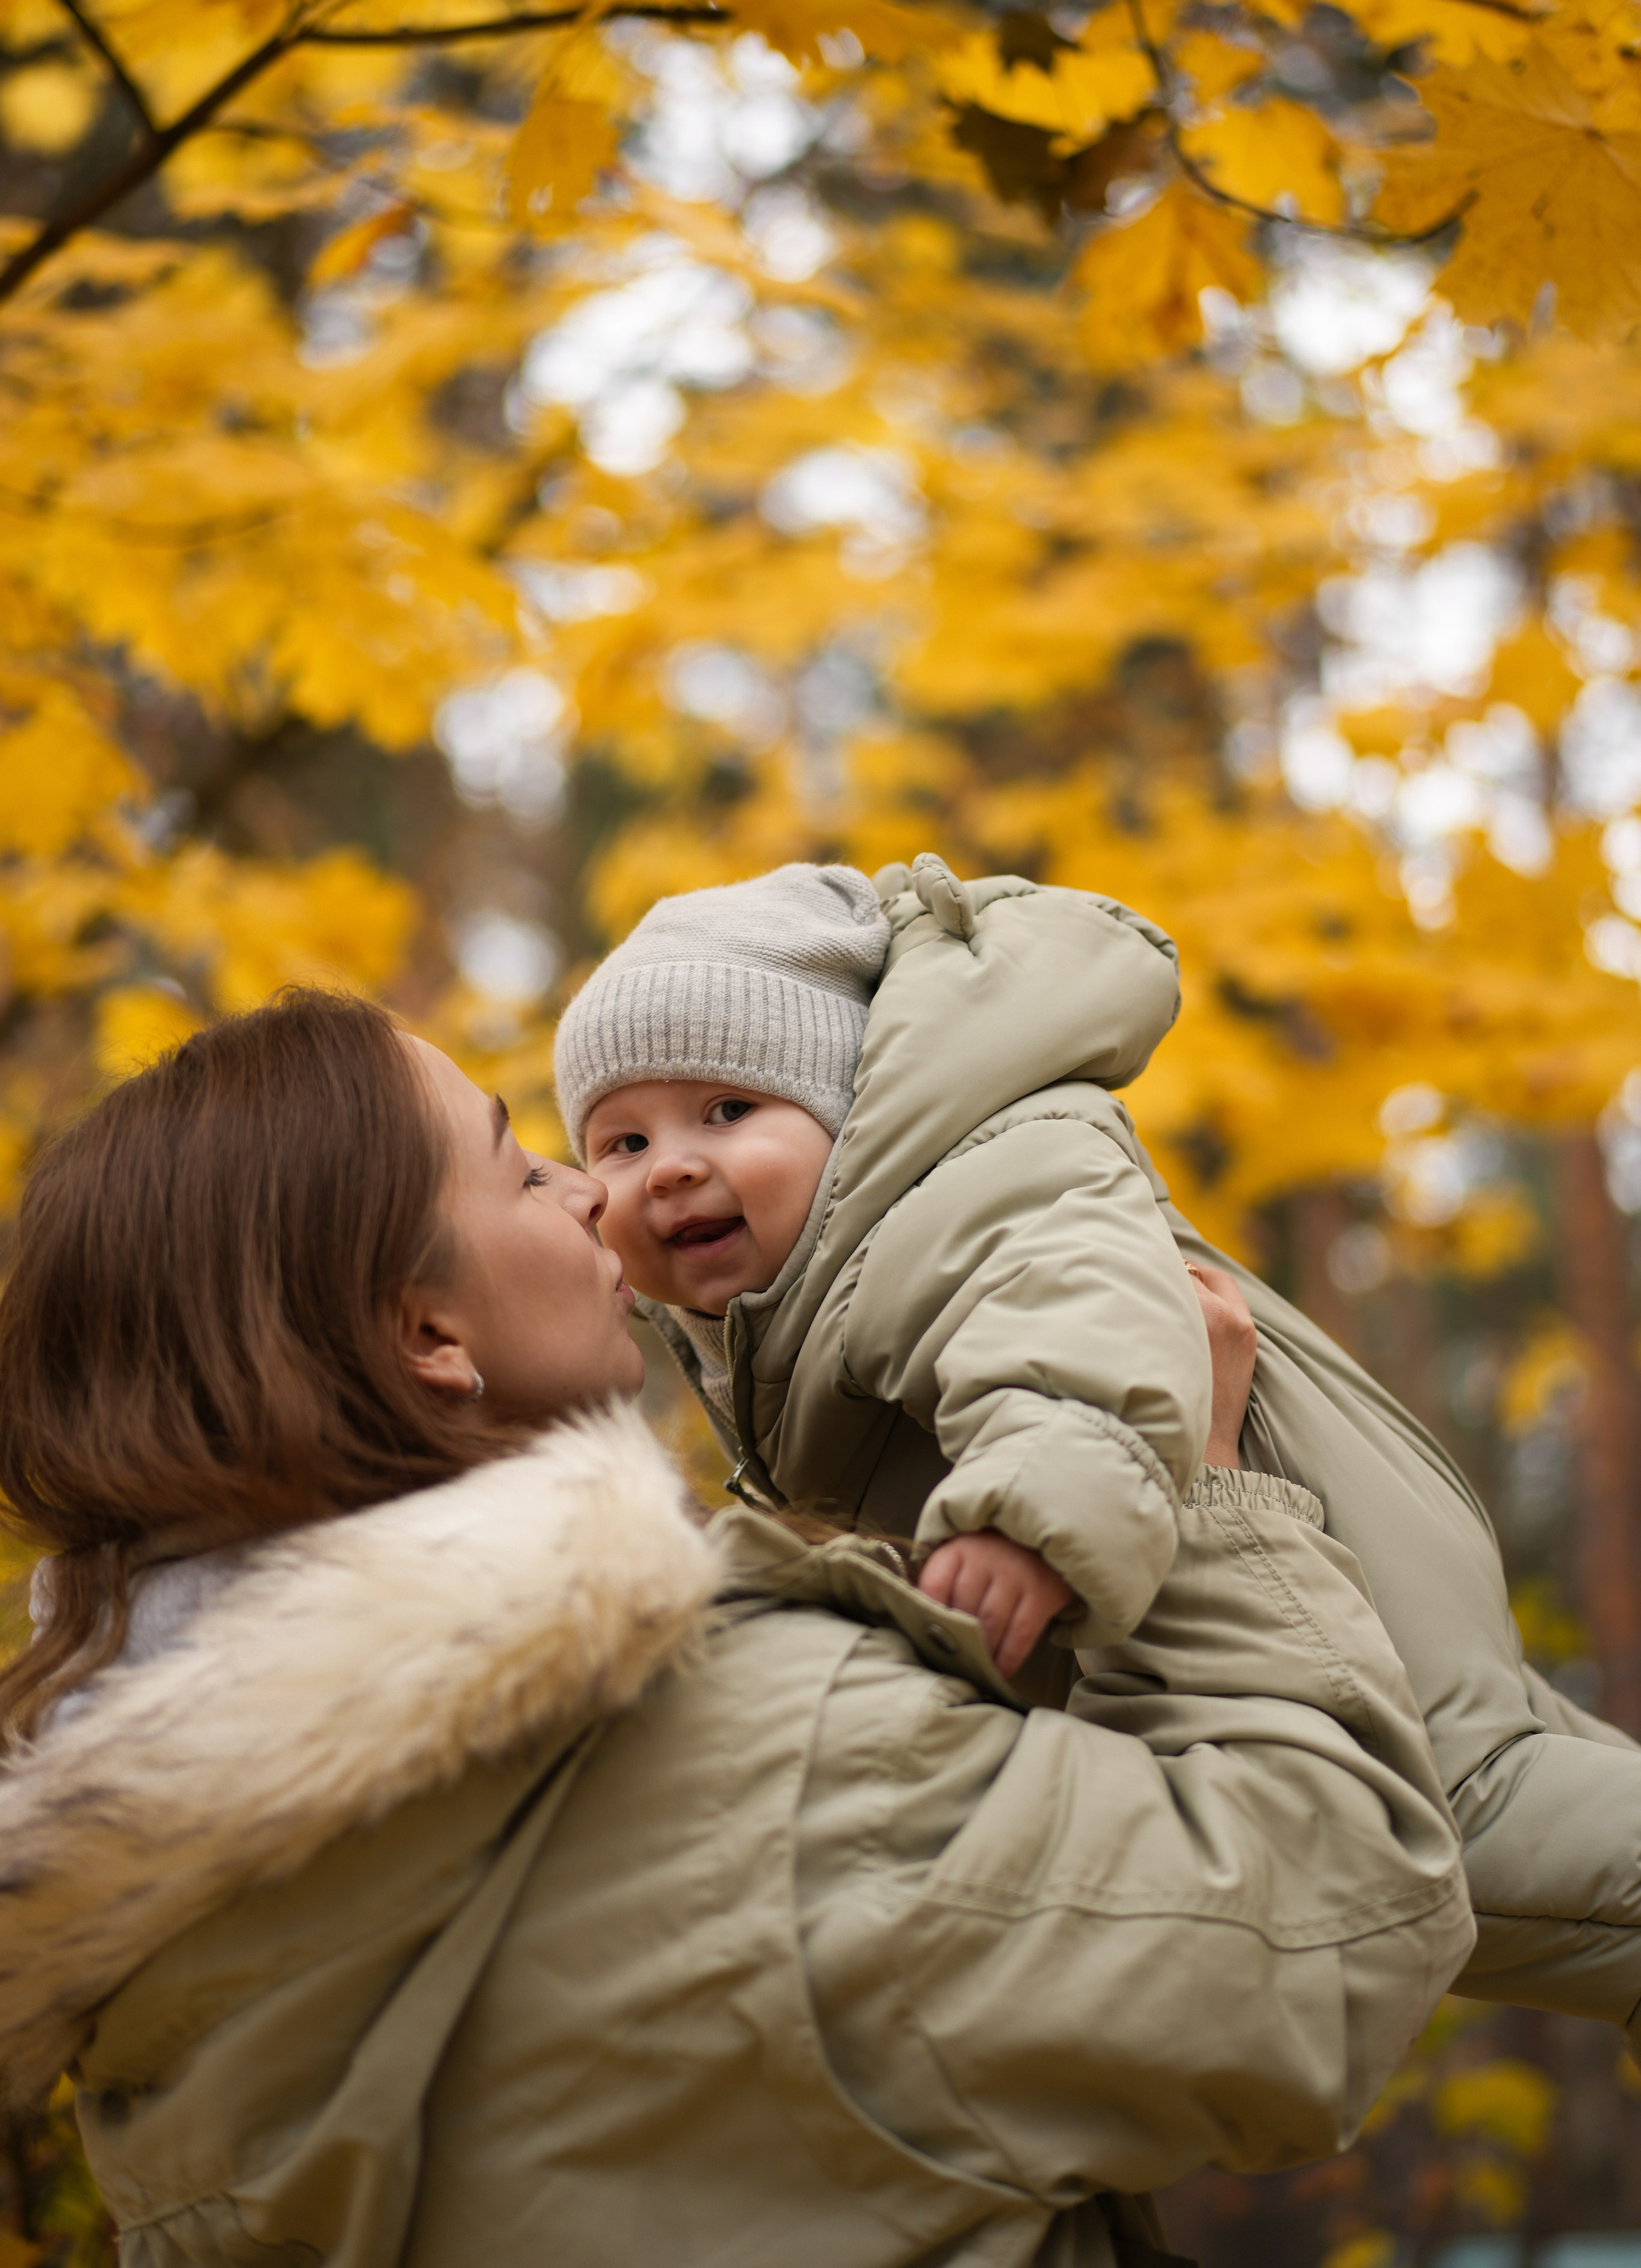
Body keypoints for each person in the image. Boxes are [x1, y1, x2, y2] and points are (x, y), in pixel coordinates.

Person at [0, 988, 1470, 2267]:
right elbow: (1320, 1940)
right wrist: (1200, 1501)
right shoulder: (738, 1743)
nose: (588, 1190)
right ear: (424, 1338)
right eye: (518, 1169)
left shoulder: (151, 1906)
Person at [560, 853, 1641, 2040]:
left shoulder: (971, 1194)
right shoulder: (810, 1290)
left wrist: (1026, 1515)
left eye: (728, 1111)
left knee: (1450, 1837)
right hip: (1288, 1584)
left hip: (1336, 1594)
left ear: (845, 1112)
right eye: (619, 1143)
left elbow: (1081, 1337)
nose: (668, 1166)